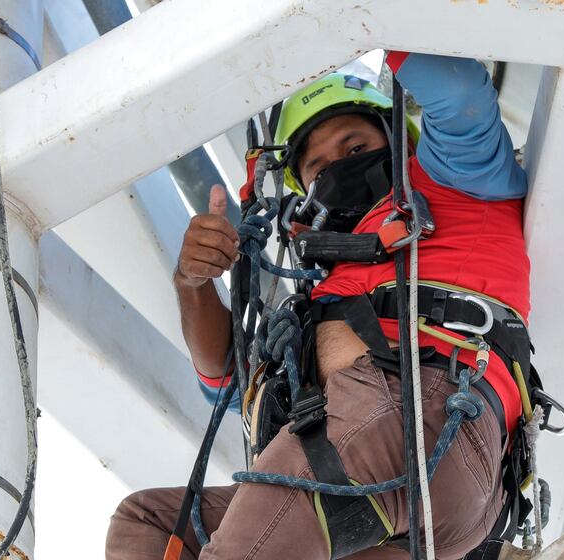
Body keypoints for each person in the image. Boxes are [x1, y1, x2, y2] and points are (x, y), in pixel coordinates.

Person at [106, 50, 530, 560]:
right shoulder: (321, 290)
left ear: (397, 140)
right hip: (384, 496)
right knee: (149, 525)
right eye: (319, 167)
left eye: (356, 145)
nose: (341, 167)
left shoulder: (456, 180)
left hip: (424, 414)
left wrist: (360, 19)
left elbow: (459, 94)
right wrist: (192, 282)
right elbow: (222, 380)